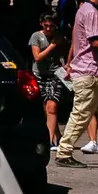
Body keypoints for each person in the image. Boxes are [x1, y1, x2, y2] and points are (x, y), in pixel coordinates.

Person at [56, 0, 98, 167]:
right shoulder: (91, 12)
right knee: (80, 114)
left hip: (97, 73)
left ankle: (64, 151)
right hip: (90, 73)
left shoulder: (87, 9)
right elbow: (95, 41)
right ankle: (64, 152)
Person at [31, 11, 65, 148]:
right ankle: (57, 134)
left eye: (51, 26)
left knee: (52, 106)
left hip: (55, 75)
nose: (49, 29)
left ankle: (49, 140)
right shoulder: (36, 36)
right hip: (39, 74)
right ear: (41, 24)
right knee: (47, 110)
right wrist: (52, 45)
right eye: (46, 26)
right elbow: (37, 57)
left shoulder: (59, 37)